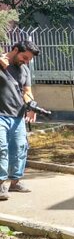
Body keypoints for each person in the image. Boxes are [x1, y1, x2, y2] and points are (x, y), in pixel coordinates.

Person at [0, 41, 40, 200]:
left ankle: (15, 182)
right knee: (1, 149)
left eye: (29, 59)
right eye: (24, 57)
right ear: (15, 50)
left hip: (18, 116)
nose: (26, 61)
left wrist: (32, 106)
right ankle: (1, 185)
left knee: (19, 148)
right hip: (1, 115)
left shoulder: (24, 70)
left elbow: (27, 91)